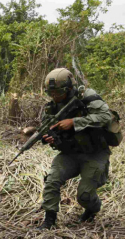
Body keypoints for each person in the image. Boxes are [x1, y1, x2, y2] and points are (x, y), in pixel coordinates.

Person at [38, 68, 114, 229]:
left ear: (69, 88)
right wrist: (51, 138)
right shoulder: (51, 107)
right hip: (70, 153)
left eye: (58, 92)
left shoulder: (87, 97)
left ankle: (92, 209)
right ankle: (49, 220)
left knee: (84, 195)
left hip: (95, 153)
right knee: (51, 180)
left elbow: (106, 116)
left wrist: (74, 122)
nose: (55, 97)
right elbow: (50, 134)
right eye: (51, 93)